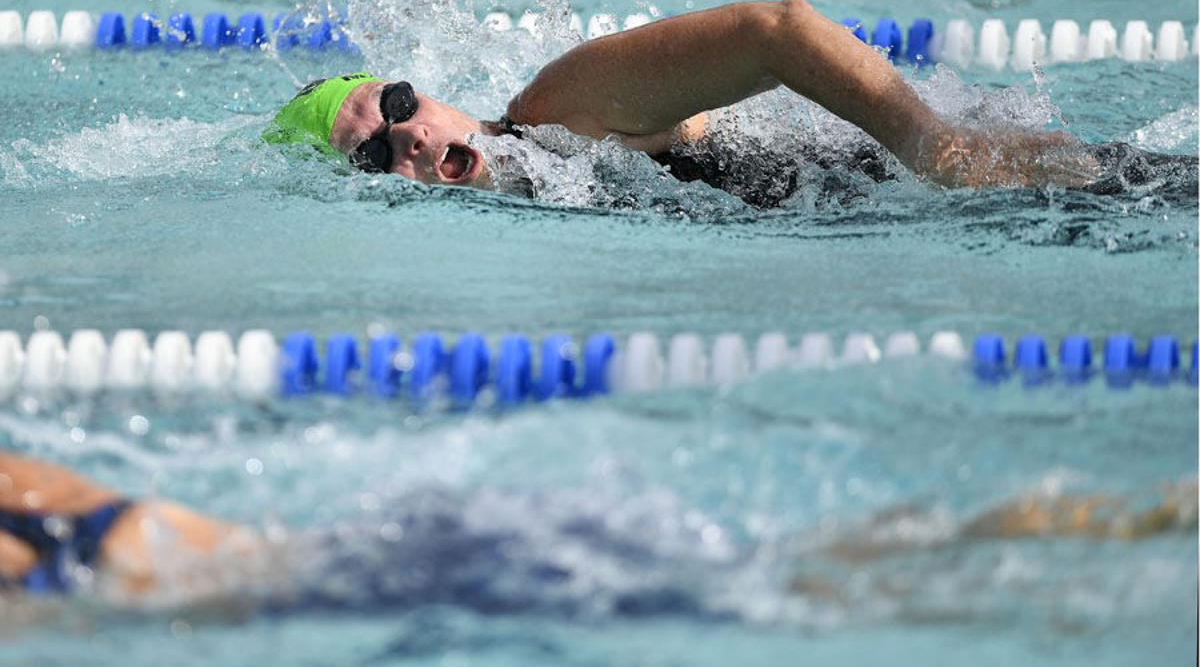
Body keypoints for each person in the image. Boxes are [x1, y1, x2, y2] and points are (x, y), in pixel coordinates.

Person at [266, 0, 1196, 209]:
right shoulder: (536, 200)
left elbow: (776, 30)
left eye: (397, 104)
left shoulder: (557, 111)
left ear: (430, 93)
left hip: (966, 186)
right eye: (373, 154)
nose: (408, 138)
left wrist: (936, 146)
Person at [0, 450, 1193, 608]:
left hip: (436, 577)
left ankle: (1123, 521)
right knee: (802, 570)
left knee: (819, 589)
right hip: (430, 545)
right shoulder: (28, 484)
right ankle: (1110, 518)